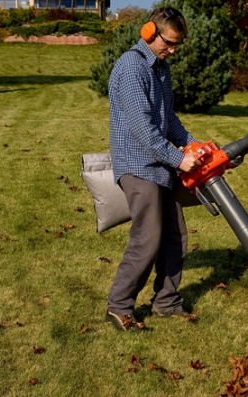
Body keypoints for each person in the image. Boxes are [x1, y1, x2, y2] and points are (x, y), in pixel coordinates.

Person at [105, 6, 200, 331]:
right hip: (137, 164)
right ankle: (119, 305)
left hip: (160, 165)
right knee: (148, 237)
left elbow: (167, 118)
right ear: (149, 33)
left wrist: (191, 145)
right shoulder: (132, 67)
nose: (172, 50)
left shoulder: (161, 68)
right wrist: (178, 159)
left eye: (177, 45)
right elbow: (143, 129)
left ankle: (166, 302)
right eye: (169, 43)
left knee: (176, 237)